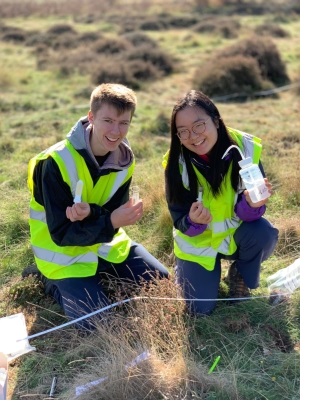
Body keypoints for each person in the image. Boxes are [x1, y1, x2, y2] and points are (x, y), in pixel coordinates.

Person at [24, 83, 169, 329]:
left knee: (162, 282)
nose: (116, 131)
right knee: (99, 323)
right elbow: (62, 233)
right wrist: (112, 220)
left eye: (124, 123)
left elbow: (112, 210)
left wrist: (93, 212)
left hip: (106, 245)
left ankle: (98, 278)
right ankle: (47, 279)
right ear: (91, 117)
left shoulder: (125, 160)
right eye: (108, 121)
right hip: (63, 257)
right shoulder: (54, 163)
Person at [162, 90, 279, 315]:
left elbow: (252, 212)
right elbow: (178, 218)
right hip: (199, 245)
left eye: (198, 125)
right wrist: (193, 221)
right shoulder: (175, 163)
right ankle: (186, 270)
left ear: (216, 120)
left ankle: (240, 273)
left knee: (263, 233)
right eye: (183, 132)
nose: (193, 136)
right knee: (199, 309)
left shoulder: (245, 149)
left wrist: (253, 205)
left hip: (235, 235)